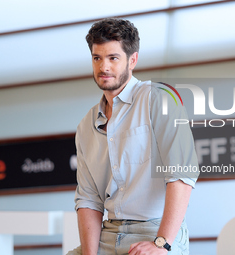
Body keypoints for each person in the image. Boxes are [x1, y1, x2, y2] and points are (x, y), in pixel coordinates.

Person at [67, 18, 199, 255]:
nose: (103, 67)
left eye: (113, 58)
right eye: (97, 58)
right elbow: (88, 199)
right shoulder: (86, 124)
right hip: (109, 233)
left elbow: (182, 174)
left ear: (133, 60)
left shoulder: (159, 99)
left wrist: (162, 244)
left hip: (155, 231)